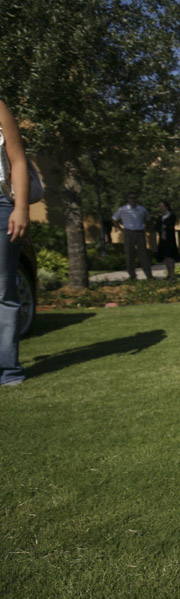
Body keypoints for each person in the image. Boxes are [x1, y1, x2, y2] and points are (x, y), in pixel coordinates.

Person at [0, 100, 29, 386]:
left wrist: (21, 208)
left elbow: (18, 160)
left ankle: (9, 371)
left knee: (3, 290)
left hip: (0, 206)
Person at [112, 193, 154, 280]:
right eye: (131, 198)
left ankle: (149, 275)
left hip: (140, 232)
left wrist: (146, 228)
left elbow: (148, 219)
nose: (133, 200)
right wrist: (120, 229)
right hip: (128, 232)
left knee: (143, 254)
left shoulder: (142, 209)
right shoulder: (123, 209)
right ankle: (132, 276)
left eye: (134, 198)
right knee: (129, 254)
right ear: (128, 199)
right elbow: (114, 218)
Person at [155, 201, 180, 278]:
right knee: (165, 255)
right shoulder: (160, 217)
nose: (161, 208)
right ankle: (168, 273)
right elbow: (157, 226)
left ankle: (172, 273)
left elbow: (169, 225)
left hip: (169, 238)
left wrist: (165, 229)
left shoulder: (171, 215)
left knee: (170, 254)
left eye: (162, 206)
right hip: (162, 238)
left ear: (166, 206)